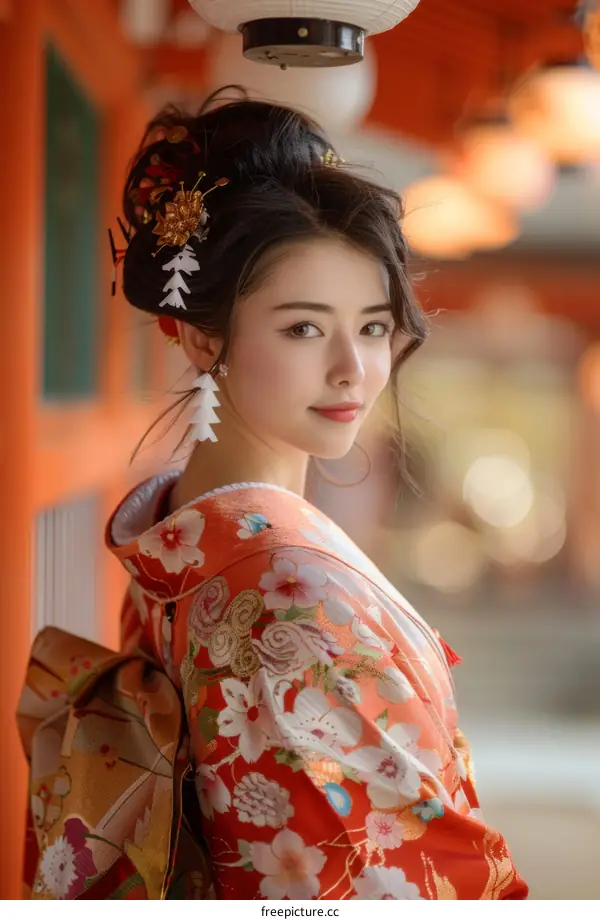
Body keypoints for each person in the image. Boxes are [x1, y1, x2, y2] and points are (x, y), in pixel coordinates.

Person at [17, 89, 528, 900]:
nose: (353, 370)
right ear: (198, 334)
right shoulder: (295, 602)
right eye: (303, 327)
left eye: (371, 325)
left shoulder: (174, 534)